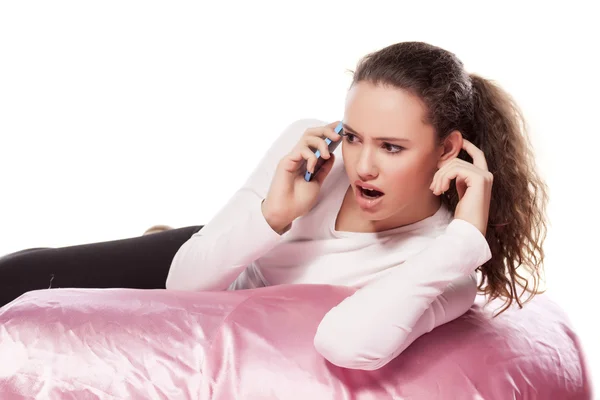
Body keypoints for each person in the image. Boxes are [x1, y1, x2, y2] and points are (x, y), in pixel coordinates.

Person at [0, 41, 549, 371]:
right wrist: (275, 214)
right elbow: (187, 284)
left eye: (392, 148)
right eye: (355, 137)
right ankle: (158, 232)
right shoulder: (311, 155)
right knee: (17, 273)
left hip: (228, 301)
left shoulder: (443, 265)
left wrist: (462, 242)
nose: (362, 167)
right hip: (219, 255)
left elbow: (346, 344)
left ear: (449, 150)